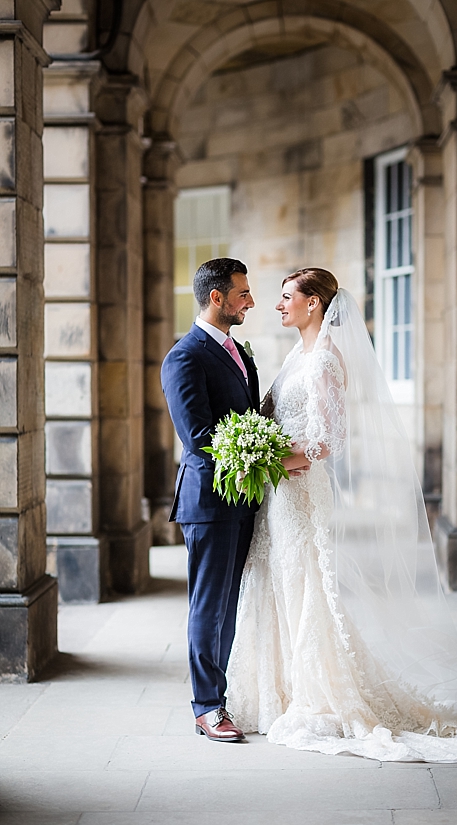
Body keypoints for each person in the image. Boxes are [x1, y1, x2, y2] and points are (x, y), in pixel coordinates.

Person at [226, 267, 457, 762]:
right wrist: (253, 448)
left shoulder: (326, 361)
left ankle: (320, 692)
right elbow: (275, 416)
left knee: (308, 582)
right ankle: (282, 689)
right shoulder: (297, 354)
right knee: (281, 581)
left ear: (314, 304)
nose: (278, 304)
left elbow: (328, 441)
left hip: (300, 491)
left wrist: (265, 458)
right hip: (279, 494)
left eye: (287, 296)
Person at [161, 258, 260, 743]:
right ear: (216, 298)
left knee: (232, 603)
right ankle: (206, 707)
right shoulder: (185, 356)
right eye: (242, 293)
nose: (251, 301)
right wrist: (268, 455)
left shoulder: (239, 351)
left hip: (244, 498)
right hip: (209, 500)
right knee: (209, 605)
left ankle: (222, 696)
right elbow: (199, 436)